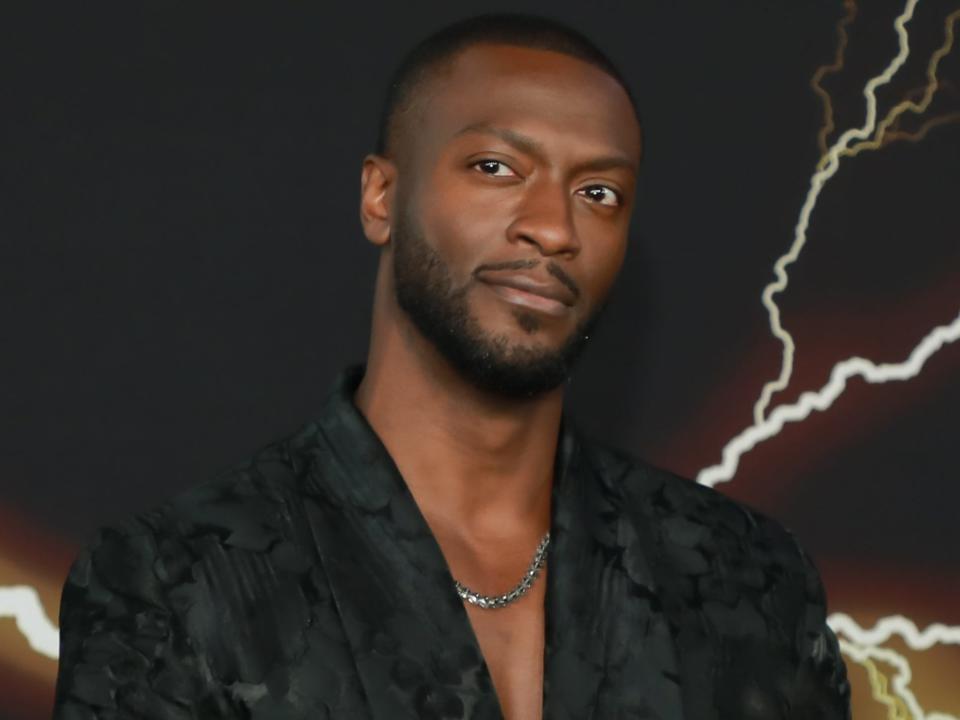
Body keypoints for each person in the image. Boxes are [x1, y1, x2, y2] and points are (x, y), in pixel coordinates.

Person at [53, 13, 851, 720]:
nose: (553, 228)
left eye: (599, 191)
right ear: (380, 197)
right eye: (496, 169)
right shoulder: (174, 583)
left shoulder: (750, 581)